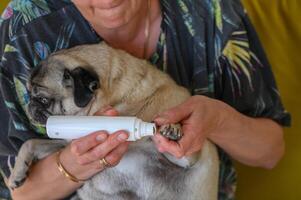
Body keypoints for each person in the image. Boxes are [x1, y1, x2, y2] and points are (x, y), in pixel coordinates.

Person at [0, 0, 291, 199]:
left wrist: (215, 120)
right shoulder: (25, 31)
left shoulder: (210, 12)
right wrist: (75, 162)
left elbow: (270, 151)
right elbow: (22, 194)